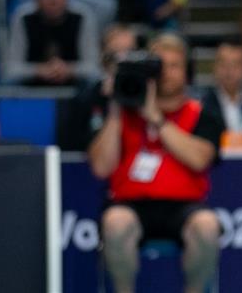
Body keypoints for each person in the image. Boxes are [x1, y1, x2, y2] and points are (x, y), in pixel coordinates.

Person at [89, 32, 224, 293]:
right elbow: (101, 167)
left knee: (207, 225)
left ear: (187, 73)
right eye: (161, 66)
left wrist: (156, 118)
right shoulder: (123, 113)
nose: (167, 73)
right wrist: (115, 111)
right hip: (129, 203)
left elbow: (200, 160)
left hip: (184, 206)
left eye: (175, 66)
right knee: (115, 222)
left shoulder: (202, 114)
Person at [4, 0, 102, 86]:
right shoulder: (23, 18)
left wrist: (68, 70)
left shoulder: (83, 17)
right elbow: (11, 69)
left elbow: (92, 67)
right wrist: (39, 70)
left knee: (95, 80)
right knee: (9, 83)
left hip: (76, 85)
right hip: (31, 85)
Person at [57, 24, 138, 152]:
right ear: (103, 56)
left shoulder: (151, 95)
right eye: (115, 53)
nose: (123, 60)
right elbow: (74, 149)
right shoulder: (85, 97)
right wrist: (112, 102)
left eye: (130, 52)